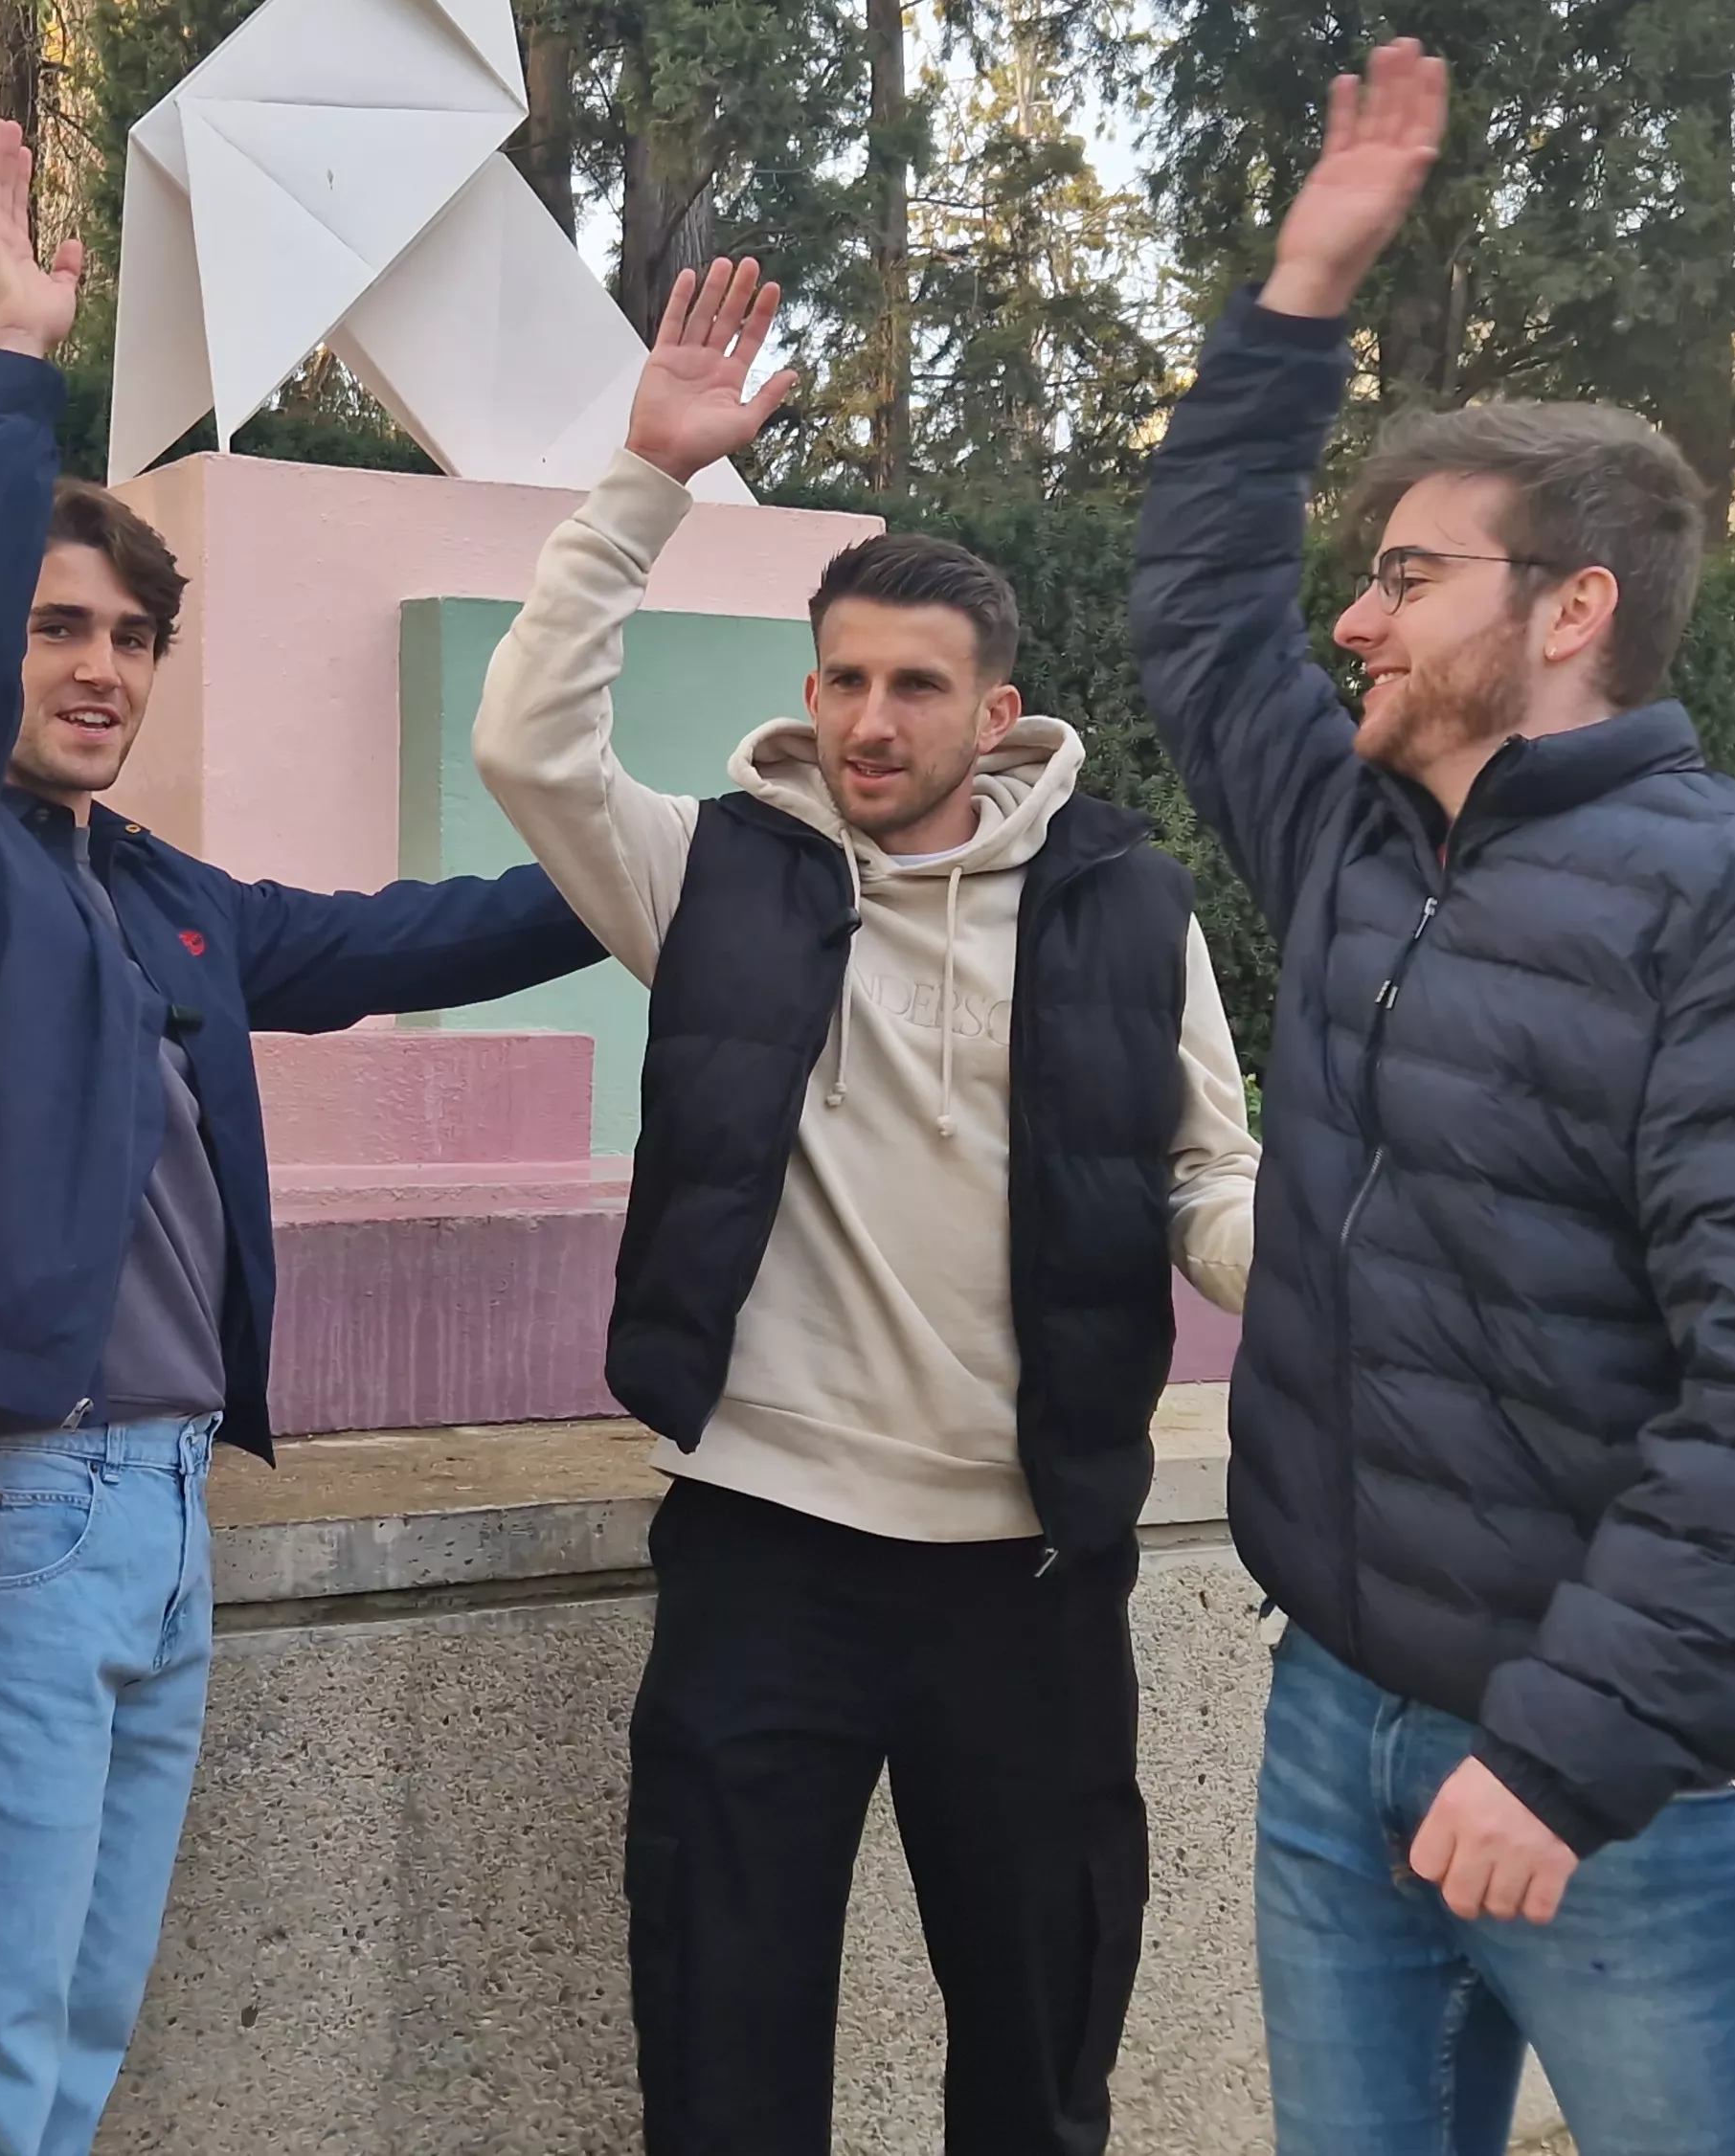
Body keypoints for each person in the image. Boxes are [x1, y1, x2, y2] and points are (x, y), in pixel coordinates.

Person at [1127, 42, 1735, 2156]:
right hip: (1344, 1732)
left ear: (1570, 610)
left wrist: (1562, 1749)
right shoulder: (1353, 840)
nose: (1354, 612)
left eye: (1406, 573)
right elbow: (1203, 616)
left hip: (1635, 1801)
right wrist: (1299, 286)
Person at [0, 122, 610, 2156]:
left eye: (131, 638)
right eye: (64, 628)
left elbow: (424, 932)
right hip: (14, 1499)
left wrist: (670, 856)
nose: (95, 667)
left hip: (163, 1515)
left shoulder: (156, 891)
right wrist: (4, 362)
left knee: (72, 2029)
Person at [471, 258, 1262, 2154]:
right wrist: (643, 483)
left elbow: (1203, 1175)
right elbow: (529, 745)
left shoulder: (1122, 910)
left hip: (1029, 1570)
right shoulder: (712, 881)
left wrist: (1340, 1288)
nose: (871, 719)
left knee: (1036, 2047)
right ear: (805, 687)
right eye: (842, 678)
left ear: (997, 710)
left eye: (916, 685)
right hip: (765, 1548)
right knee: (723, 2049)